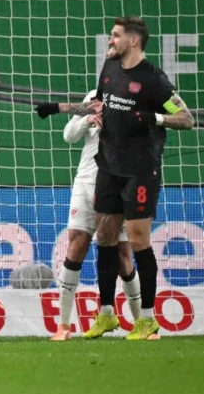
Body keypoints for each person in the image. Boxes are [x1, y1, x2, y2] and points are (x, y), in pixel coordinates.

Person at [35, 16, 195, 341]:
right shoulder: (108, 70)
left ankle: (147, 320)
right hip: (105, 167)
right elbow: (96, 105)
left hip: (138, 170)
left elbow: (186, 118)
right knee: (104, 239)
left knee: (136, 244)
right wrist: (58, 108)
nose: (110, 41)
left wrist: (152, 116)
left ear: (133, 41)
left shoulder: (154, 80)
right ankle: (105, 314)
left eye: (115, 35)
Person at [48, 89, 140, 342]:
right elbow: (68, 136)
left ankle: (141, 323)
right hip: (86, 184)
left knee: (123, 257)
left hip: (117, 186)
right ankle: (63, 326)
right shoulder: (93, 97)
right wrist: (87, 119)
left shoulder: (133, 100)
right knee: (77, 242)